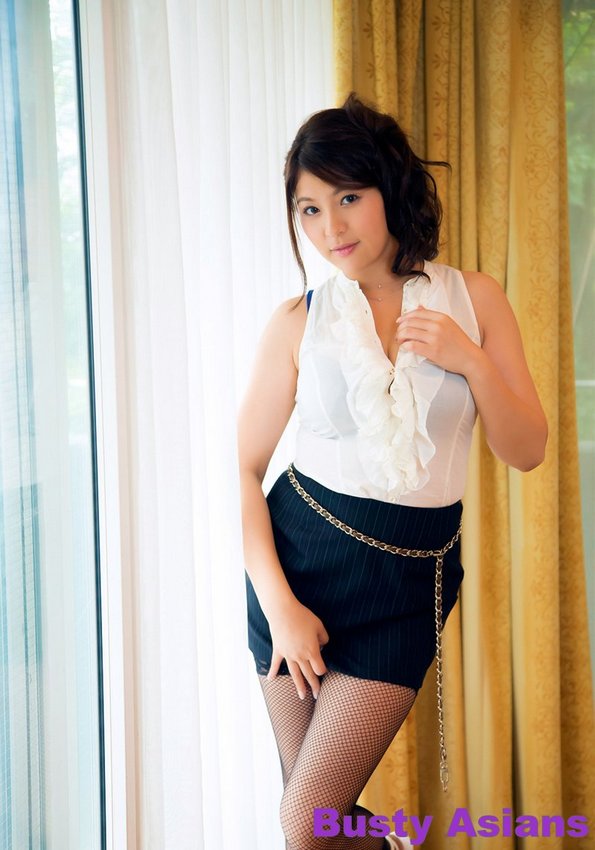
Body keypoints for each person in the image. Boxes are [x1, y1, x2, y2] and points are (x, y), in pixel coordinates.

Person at [237, 93, 547, 850]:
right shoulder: (297, 319)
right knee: (314, 823)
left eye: (348, 197)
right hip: (295, 569)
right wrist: (279, 605)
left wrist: (469, 360)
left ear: (390, 188)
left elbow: (526, 448)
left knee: (308, 823)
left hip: (406, 582)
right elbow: (245, 468)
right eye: (309, 209)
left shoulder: (473, 298)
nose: (330, 228)